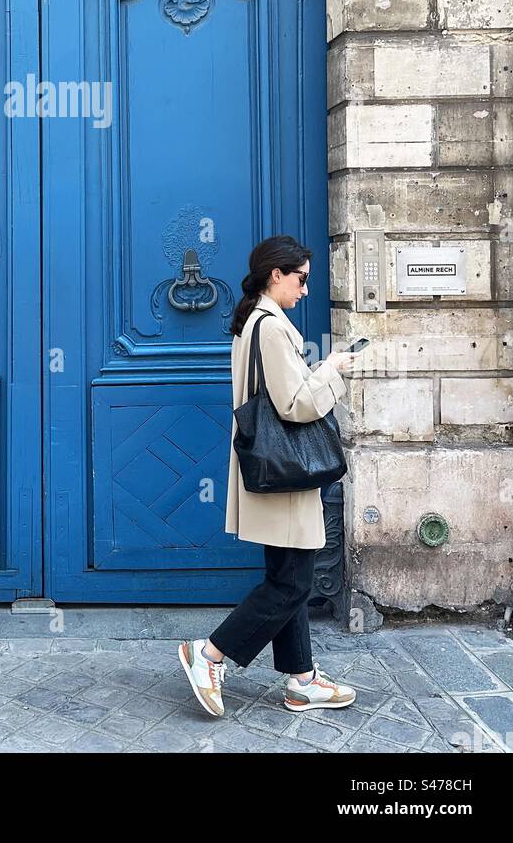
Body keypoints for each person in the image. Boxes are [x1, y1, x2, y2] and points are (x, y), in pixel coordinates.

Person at [179, 235, 358, 718]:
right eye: (300, 279)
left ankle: (302, 680)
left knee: (287, 576)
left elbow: (284, 390)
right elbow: (296, 405)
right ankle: (210, 654)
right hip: (286, 470)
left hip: (273, 468)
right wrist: (334, 371)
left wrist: (316, 370)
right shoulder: (272, 328)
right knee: (292, 584)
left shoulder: (253, 322)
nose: (304, 289)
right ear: (275, 274)